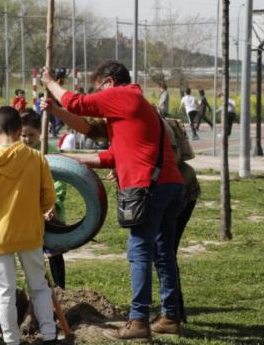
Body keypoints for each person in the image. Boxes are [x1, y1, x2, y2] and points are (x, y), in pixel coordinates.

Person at [41, 60, 183, 341]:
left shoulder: (123, 95)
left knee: (139, 251)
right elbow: (104, 146)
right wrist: (71, 156)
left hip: (148, 188)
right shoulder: (134, 108)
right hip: (169, 185)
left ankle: (138, 321)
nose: (99, 97)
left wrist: (49, 82)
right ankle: (169, 317)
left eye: (99, 90)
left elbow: (77, 102)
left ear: (108, 82)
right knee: (163, 254)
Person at [0, 106, 57, 345]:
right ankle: (50, 335)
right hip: (30, 233)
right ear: (21, 130)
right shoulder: (36, 158)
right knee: (39, 286)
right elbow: (48, 197)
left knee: (4, 291)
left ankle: (11, 339)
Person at [20, 109, 67, 289]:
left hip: (50, 213)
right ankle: (38, 288)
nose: (27, 139)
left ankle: (60, 288)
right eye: (23, 135)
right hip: (27, 213)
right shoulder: (18, 155)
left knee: (53, 251)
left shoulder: (50, 153)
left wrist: (51, 205)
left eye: (31, 134)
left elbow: (59, 182)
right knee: (33, 253)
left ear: (41, 132)